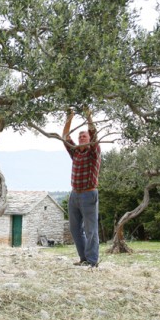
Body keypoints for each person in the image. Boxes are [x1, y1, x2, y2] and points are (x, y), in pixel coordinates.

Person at [63, 108, 101, 268]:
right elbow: (65, 137)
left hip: (88, 194)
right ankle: (84, 258)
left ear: (90, 139)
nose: (81, 138)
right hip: (74, 195)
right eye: (79, 136)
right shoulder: (76, 153)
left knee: (90, 229)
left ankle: (92, 261)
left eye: (84, 136)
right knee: (75, 229)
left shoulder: (94, 152)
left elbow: (94, 133)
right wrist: (69, 118)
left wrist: (88, 116)